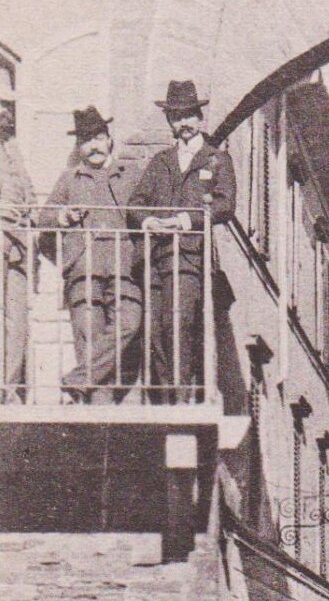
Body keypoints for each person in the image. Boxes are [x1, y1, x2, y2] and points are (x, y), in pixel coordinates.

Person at [127, 79, 236, 400]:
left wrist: (186, 220)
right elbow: (136, 203)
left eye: (188, 115)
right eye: (176, 117)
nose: (183, 123)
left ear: (199, 118)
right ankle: (167, 401)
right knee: (155, 331)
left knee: (178, 324)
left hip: (189, 256)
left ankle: (180, 397)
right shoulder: (160, 161)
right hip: (155, 257)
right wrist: (149, 221)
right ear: (170, 122)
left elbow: (225, 205)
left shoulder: (216, 159)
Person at [38, 107, 142, 401]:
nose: (93, 146)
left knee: (129, 323)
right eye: (86, 140)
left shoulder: (131, 175)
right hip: (83, 272)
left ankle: (78, 379)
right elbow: (44, 219)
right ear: (78, 146)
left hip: (126, 270)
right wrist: (64, 217)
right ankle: (98, 413)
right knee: (90, 340)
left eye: (98, 138)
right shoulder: (70, 179)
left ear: (109, 140)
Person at [0, 74, 35, 400]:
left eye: (7, 105)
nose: (4, 112)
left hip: (19, 241)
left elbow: (27, 192)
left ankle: (9, 389)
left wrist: (28, 212)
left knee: (17, 318)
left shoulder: (13, 148)